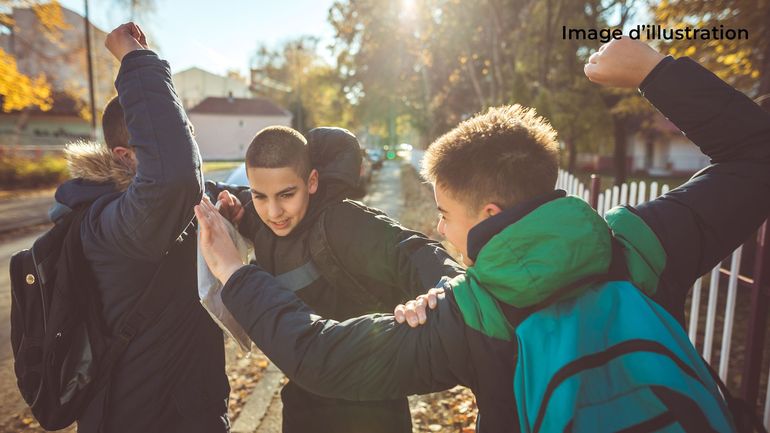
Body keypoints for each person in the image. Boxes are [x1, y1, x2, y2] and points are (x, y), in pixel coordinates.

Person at [197, 38, 770, 432]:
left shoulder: (471, 318)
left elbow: (321, 356)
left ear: (491, 212)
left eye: (445, 211)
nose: (438, 225)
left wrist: (233, 273)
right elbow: (757, 156)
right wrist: (655, 70)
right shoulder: (640, 245)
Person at [209, 125, 463, 433]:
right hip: (304, 403)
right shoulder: (257, 217)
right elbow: (205, 192)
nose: (273, 211)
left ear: (312, 181)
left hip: (370, 409)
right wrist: (236, 211)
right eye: (260, 196)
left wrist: (445, 289)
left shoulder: (343, 222)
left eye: (286, 195)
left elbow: (413, 251)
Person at [54, 23, 229, 433]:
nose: (183, 145)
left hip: (191, 412)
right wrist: (135, 58)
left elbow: (195, 180)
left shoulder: (158, 209)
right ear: (124, 155)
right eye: (157, 143)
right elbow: (174, 174)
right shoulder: (110, 222)